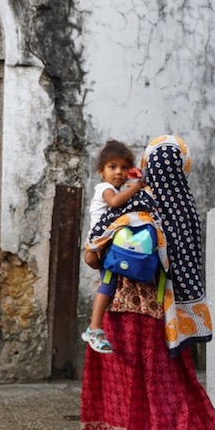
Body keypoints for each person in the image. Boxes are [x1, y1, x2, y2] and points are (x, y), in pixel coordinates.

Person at [81, 135, 215, 430]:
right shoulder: (186, 208)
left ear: (150, 166)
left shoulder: (138, 200)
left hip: (126, 311)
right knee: (168, 385)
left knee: (128, 385)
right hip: (168, 318)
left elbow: (93, 253)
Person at [81, 140, 146, 354]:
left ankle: (97, 327)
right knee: (108, 283)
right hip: (102, 241)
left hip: (104, 244)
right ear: (101, 172)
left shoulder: (118, 188)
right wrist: (136, 185)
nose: (119, 172)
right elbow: (116, 203)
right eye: (112, 167)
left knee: (108, 280)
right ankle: (94, 328)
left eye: (124, 167)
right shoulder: (105, 189)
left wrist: (135, 182)